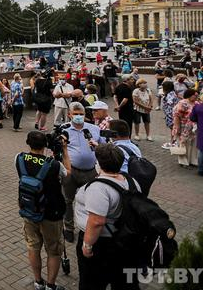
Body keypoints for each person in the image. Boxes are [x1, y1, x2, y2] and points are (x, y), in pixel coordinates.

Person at [74, 144, 139, 290]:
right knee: (121, 281)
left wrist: (87, 246)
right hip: (124, 239)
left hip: (101, 243)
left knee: (91, 282)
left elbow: (97, 221)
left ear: (99, 164)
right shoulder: (131, 181)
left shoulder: (98, 188)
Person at [16, 131, 70, 290]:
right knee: (53, 250)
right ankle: (51, 285)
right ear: (45, 145)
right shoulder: (54, 165)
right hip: (51, 214)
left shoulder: (19, 158)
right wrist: (64, 150)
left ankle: (38, 281)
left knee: (33, 246)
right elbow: (68, 173)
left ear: (28, 143)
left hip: (29, 209)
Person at [61, 102, 102, 243]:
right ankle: (69, 228)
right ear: (69, 115)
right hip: (70, 172)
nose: (79, 117)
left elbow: (103, 146)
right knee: (68, 200)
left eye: (81, 114)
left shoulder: (94, 129)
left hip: (90, 172)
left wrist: (99, 146)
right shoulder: (63, 129)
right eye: (76, 114)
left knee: (90, 202)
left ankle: (87, 228)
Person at [173, 89, 199, 167]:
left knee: (193, 143)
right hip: (183, 126)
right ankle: (183, 161)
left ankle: (193, 160)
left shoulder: (197, 103)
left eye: (197, 96)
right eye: (195, 95)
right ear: (190, 95)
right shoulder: (183, 103)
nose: (196, 97)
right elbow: (177, 116)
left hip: (193, 127)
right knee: (184, 143)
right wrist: (177, 127)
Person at [190, 91, 203, 178]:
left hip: (202, 131)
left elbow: (192, 118)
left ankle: (201, 170)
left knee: (202, 151)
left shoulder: (197, 107)